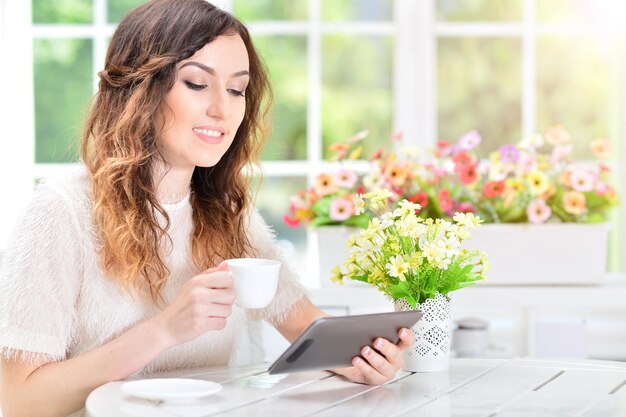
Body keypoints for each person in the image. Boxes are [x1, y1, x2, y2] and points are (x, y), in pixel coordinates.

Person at [0, 1, 416, 416]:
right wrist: (163, 331)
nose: (223, 108)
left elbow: (307, 327)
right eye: (197, 83)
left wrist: (362, 358)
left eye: (236, 89)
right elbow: (18, 399)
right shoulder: (63, 211)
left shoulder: (228, 215)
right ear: (140, 89)